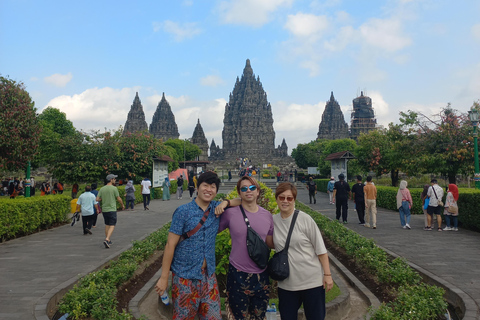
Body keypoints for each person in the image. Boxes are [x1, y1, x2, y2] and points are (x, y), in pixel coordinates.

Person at [154, 172, 241, 320]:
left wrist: (225, 202)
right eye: (205, 185)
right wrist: (164, 277)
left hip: (208, 277)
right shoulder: (183, 211)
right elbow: (170, 245)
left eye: (213, 187)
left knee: (213, 317)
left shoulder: (216, 209)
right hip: (184, 277)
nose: (208, 190)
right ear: (198, 187)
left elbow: (240, 200)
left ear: (216, 191)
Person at [273, 182, 333, 320]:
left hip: (311, 282)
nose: (285, 201)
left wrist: (327, 274)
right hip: (287, 283)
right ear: (276, 199)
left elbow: (321, 250)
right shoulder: (272, 221)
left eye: (289, 198)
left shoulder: (305, 219)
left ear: (294, 200)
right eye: (281, 198)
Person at [219, 176, 274, 320]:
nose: (248, 191)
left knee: (259, 316)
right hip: (237, 274)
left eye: (252, 188)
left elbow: (270, 243)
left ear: (258, 192)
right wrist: (226, 202)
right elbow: (210, 230)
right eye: (244, 188)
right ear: (239, 192)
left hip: (261, 274)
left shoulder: (267, 216)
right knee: (239, 317)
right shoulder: (230, 214)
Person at [96, 174, 125, 248]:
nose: (115, 180)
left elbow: (97, 199)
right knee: (112, 225)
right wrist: (122, 205)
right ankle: (107, 239)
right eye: (114, 179)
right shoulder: (114, 188)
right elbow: (118, 198)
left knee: (107, 224)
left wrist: (103, 199)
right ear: (111, 180)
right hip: (112, 209)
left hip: (104, 209)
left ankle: (108, 240)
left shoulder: (102, 189)